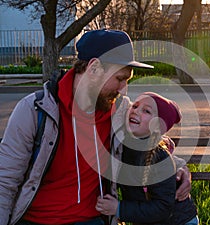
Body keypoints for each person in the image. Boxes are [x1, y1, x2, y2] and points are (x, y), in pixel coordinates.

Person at [0, 29, 191, 225]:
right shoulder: (35, 110)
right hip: (37, 220)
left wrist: (178, 167)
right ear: (93, 68)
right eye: (119, 79)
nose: (123, 89)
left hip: (92, 219)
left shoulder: (119, 110)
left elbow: (149, 140)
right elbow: (5, 181)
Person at [96, 92, 199, 225]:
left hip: (177, 220)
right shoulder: (124, 145)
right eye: (135, 106)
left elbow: (163, 207)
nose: (136, 111)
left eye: (146, 111)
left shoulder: (159, 157)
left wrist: (119, 209)